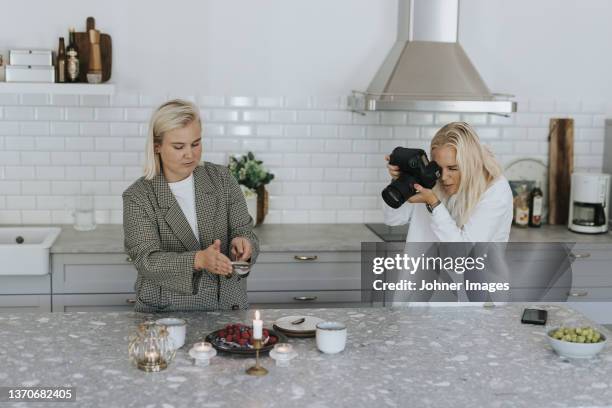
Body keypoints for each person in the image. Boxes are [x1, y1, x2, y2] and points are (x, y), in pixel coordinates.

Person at [122, 99, 259, 312]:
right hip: (166, 315)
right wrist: (198, 260)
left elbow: (244, 230)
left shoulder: (222, 178)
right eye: (179, 146)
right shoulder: (138, 196)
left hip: (227, 307)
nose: (190, 154)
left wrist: (244, 245)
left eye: (196, 144)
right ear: (157, 146)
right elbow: (146, 260)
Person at [384, 122, 513, 242]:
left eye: (453, 168)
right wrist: (399, 180)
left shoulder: (495, 190)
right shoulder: (430, 178)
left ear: (471, 164)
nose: (443, 177)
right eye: (438, 169)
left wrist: (433, 203)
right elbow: (393, 219)